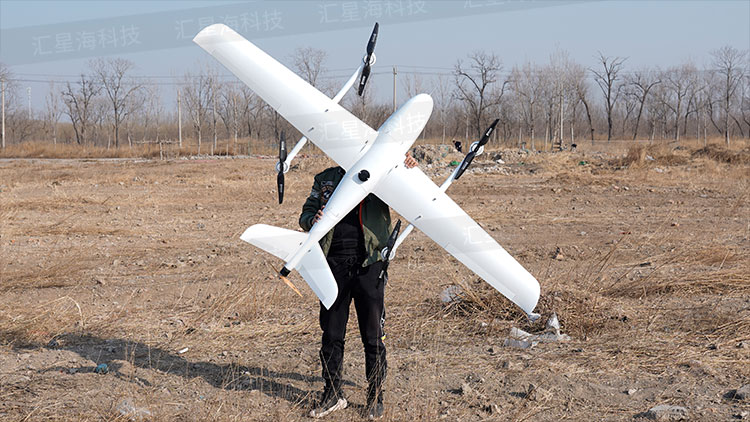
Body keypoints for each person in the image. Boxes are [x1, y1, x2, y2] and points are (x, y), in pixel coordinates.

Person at [300, 153, 418, 419]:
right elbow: (306, 213)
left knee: (373, 335)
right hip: (332, 265)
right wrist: (311, 220)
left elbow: (408, 193)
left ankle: (375, 397)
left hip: (370, 264)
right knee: (332, 334)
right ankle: (333, 394)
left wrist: (406, 166)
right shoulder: (325, 178)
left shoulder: (381, 172)